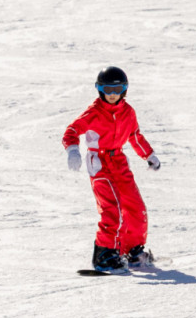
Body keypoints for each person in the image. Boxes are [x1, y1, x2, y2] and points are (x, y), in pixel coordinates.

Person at [63, 66, 161, 271]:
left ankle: (132, 249)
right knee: (112, 208)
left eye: (117, 90)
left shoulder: (128, 111)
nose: (112, 95)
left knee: (135, 206)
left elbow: (134, 135)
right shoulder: (94, 112)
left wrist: (149, 155)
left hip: (119, 161)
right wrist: (73, 150)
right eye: (107, 90)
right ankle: (104, 253)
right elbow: (72, 130)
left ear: (124, 90)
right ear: (100, 90)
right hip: (98, 163)